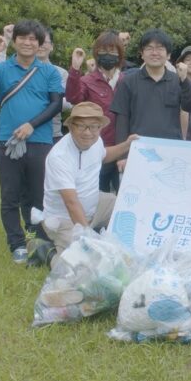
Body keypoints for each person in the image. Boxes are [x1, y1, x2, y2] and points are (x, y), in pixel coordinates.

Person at [0, 19, 64, 264]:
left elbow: (56, 103)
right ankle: (16, 243)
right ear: (14, 42)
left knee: (39, 195)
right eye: (23, 38)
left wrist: (31, 124)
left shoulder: (49, 71)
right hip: (9, 141)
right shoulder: (3, 68)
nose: (28, 42)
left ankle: (38, 239)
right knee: (10, 195)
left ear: (39, 44)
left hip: (40, 141)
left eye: (33, 39)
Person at [39, 102, 137, 264]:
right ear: (70, 127)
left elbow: (104, 155)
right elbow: (71, 203)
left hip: (94, 205)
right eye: (81, 126)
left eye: (94, 127)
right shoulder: (60, 156)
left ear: (100, 128)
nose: (88, 132)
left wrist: (127, 145)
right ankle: (45, 251)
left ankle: (100, 235)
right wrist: (88, 239)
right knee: (80, 263)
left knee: (127, 207)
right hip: (64, 218)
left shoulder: (95, 141)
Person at [110, 29, 191, 170]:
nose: (154, 53)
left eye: (160, 49)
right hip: (138, 150)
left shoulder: (177, 80)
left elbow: (190, 107)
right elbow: (122, 119)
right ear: (142, 54)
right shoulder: (128, 81)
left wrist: (184, 80)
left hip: (171, 151)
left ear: (168, 55)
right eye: (149, 48)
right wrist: (122, 156)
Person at [66, 31, 125, 192]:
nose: (108, 55)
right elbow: (73, 97)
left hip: (123, 149)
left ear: (119, 55)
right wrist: (75, 69)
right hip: (97, 148)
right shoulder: (88, 80)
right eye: (103, 51)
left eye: (112, 52)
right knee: (96, 196)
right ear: (96, 54)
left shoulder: (126, 81)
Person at [0, 24, 70, 142]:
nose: (41, 46)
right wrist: (6, 39)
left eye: (45, 42)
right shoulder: (14, 68)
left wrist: (46, 100)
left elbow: (68, 103)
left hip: (51, 134)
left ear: (52, 46)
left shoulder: (61, 73)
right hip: (14, 132)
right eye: (37, 40)